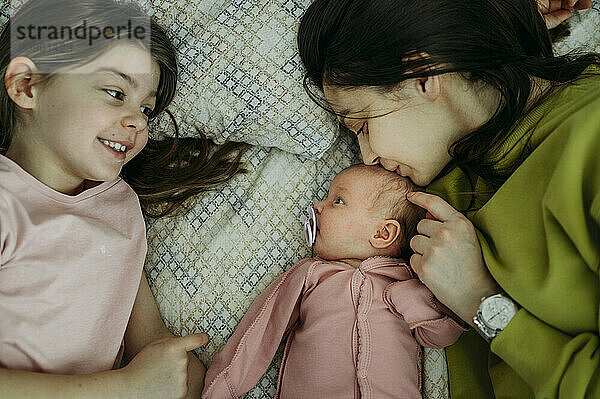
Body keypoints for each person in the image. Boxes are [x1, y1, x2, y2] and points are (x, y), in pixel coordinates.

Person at [297, 0, 599, 398]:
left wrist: (484, 303)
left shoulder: (589, 141)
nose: (367, 157)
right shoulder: (451, 164)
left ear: (423, 76)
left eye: (363, 124)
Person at [0, 0, 245, 397]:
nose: (138, 121)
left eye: (147, 109)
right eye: (115, 93)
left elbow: (150, 340)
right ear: (27, 85)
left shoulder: (119, 206)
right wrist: (125, 387)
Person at [202, 164, 467, 399]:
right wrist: (221, 388)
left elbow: (438, 334)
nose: (318, 206)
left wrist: (436, 300)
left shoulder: (404, 282)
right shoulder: (311, 275)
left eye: (338, 201)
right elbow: (263, 329)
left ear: (383, 233)